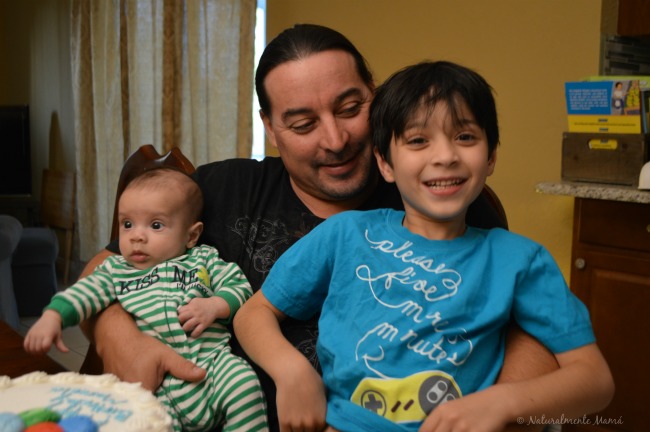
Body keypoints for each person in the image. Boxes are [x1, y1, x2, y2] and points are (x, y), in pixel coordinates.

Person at [81, 24, 560, 432]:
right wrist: (120, 339)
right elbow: (104, 268)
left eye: (350, 108)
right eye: (303, 124)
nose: (335, 139)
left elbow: (532, 340)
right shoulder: (220, 188)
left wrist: (488, 413)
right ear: (271, 128)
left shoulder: (439, 198)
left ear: (375, 94)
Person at [234, 60, 615, 432]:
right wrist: (293, 373)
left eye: (465, 137)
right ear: (385, 163)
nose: (445, 157)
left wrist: (501, 402)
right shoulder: (345, 233)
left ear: (491, 156)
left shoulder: (520, 260)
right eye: (418, 141)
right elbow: (255, 313)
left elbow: (595, 381)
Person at [25, 168, 268, 432]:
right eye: (127, 224)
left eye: (156, 225)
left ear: (191, 236)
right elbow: (84, 292)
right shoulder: (115, 271)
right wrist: (54, 315)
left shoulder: (204, 259)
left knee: (243, 383)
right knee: (143, 422)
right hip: (156, 385)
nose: (137, 236)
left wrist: (215, 305)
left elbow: (239, 286)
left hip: (212, 367)